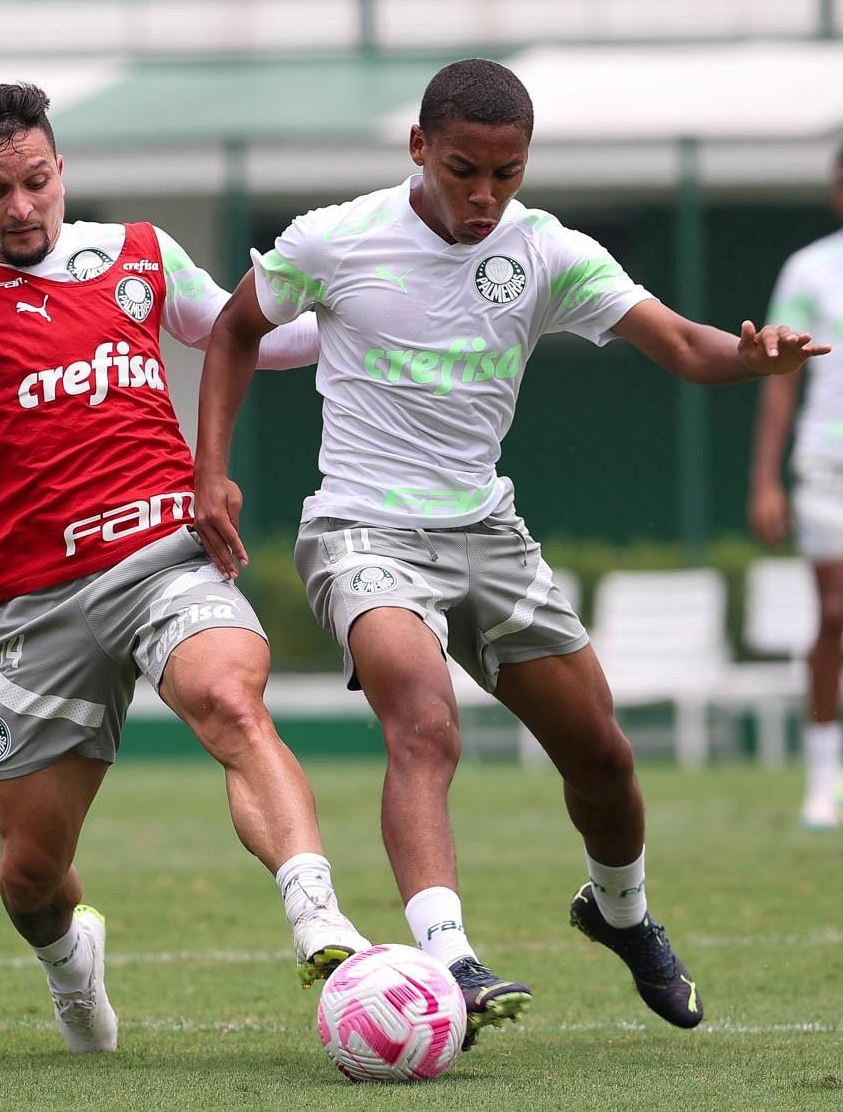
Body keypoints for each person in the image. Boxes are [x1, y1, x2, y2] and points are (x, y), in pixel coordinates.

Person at [192, 58, 826, 1049]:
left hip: (486, 531)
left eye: (507, 173)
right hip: (362, 529)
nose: (484, 195)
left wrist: (748, 357)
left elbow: (685, 346)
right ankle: (448, 958)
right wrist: (212, 472)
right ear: (417, 149)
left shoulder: (545, 252)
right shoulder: (336, 238)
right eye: (462, 170)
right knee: (425, 717)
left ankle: (619, 914)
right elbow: (235, 329)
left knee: (603, 759)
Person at [0, 82, 370, 1053]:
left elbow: (252, 335)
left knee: (229, 701)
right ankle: (68, 963)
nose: (20, 208)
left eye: (35, 183)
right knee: (29, 877)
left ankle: (320, 920)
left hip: (166, 557)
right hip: (42, 606)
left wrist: (362, 303)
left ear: (61, 174)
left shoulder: (140, 255)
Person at [749, 145, 843, 830]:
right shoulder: (808, 268)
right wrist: (765, 479)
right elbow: (781, 377)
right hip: (826, 464)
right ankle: (822, 776)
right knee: (835, 612)